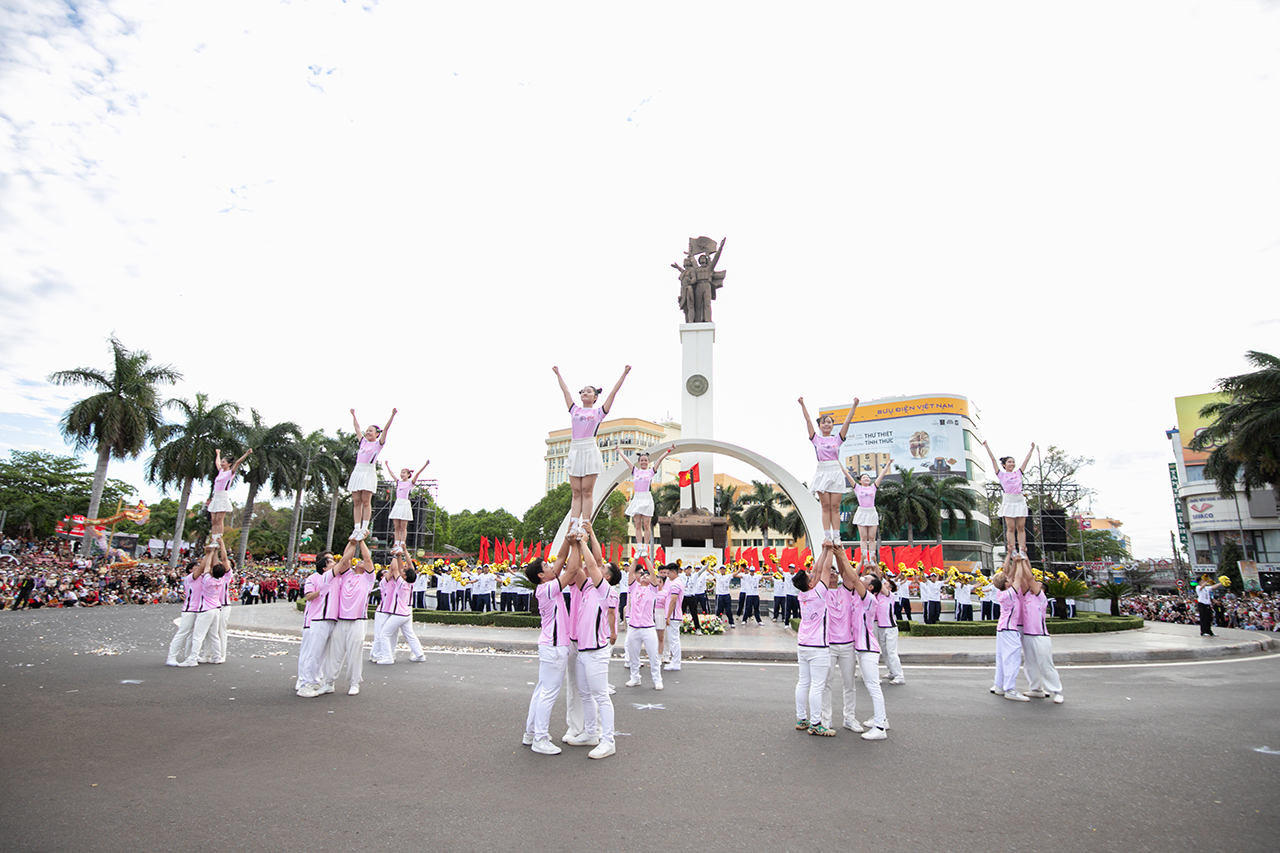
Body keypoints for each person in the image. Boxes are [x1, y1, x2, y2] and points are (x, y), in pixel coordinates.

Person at [553, 365, 631, 534]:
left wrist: (624, 374)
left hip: (589, 448)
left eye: (589, 391)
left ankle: (585, 524)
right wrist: (558, 373)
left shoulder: (598, 412)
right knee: (576, 492)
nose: (585, 393)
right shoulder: (574, 410)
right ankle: (573, 524)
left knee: (587, 491)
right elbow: (565, 391)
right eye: (582, 391)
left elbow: (613, 393)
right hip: (575, 449)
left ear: (595, 397)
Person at [566, 530, 620, 759]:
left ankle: (608, 740)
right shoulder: (587, 587)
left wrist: (585, 542)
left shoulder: (606, 591)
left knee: (600, 696)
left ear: (606, 577)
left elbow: (591, 563)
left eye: (603, 569)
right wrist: (574, 545)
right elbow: (576, 569)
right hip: (582, 651)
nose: (597, 569)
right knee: (585, 693)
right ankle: (590, 733)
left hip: (596, 652)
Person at [522, 539, 575, 755]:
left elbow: (561, 559)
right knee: (549, 693)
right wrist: (578, 544)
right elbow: (570, 570)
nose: (551, 567)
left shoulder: (546, 586)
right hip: (554, 646)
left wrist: (568, 540)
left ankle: (531, 732)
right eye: (546, 567)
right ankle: (540, 738)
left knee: (541, 690)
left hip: (550, 645)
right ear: (541, 575)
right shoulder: (547, 589)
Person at [799, 396, 858, 544]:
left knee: (835, 506)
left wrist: (854, 405)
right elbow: (808, 421)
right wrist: (802, 404)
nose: (826, 424)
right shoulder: (816, 439)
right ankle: (827, 535)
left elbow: (847, 422)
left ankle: (837, 536)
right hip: (822, 471)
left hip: (835, 471)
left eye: (829, 422)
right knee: (825, 506)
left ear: (832, 425)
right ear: (820, 426)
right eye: (824, 422)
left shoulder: (837, 439)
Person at [324, 536, 376, 696]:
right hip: (341, 620)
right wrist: (352, 541)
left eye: (362, 562)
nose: (360, 561)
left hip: (357, 621)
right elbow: (346, 559)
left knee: (354, 654)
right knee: (335, 653)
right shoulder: (346, 575)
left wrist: (361, 541)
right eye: (357, 561)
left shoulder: (368, 579)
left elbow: (367, 558)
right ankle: (328, 683)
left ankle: (355, 683)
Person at [1013, 555, 1064, 704]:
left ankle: (1057, 691)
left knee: (1045, 664)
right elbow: (1022, 578)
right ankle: (1036, 689)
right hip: (1027, 635)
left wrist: (1023, 561)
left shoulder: (1041, 598)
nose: (1035, 585)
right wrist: (1019, 562)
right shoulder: (1026, 596)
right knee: (1030, 664)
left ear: (1042, 589)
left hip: (1040, 635)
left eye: (1038, 584)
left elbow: (1029, 579)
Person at [793, 547, 832, 736]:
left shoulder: (803, 595)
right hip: (818, 647)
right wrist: (831, 550)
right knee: (817, 686)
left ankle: (801, 719)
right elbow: (824, 570)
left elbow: (817, 570)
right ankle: (816, 723)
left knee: (803, 682)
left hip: (803, 645)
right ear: (810, 584)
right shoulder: (818, 594)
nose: (813, 577)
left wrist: (823, 550)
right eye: (811, 578)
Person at [347, 408, 397, 542]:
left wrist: (392, 415)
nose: (368, 432)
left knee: (366, 501)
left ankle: (364, 527)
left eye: (371, 431)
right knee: (356, 502)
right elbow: (356, 427)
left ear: (376, 434)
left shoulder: (378, 444)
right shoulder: (362, 442)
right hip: (358, 471)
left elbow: (386, 430)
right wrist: (354, 415)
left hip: (368, 471)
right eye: (367, 430)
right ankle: (356, 528)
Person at [981, 440, 1035, 560]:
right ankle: (1013, 549)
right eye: (1009, 462)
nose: (1012, 463)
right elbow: (993, 460)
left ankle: (1022, 549)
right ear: (1004, 465)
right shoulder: (1001, 475)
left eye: (1013, 462)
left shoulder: (1018, 473)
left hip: (1019, 499)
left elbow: (1026, 460)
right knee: (1011, 527)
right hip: (1008, 500)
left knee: (1021, 526)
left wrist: (1031, 449)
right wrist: (987, 446)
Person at [372, 553, 426, 665]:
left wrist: (395, 555)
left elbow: (395, 569)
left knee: (384, 635)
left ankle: (387, 657)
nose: (402, 573)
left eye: (404, 573)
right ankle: (419, 654)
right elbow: (400, 569)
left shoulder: (401, 583)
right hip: (405, 613)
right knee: (409, 634)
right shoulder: (410, 583)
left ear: (405, 576)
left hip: (399, 614)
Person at [618, 448, 670, 562]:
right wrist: (619, 451)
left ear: (648, 462)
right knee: (637, 525)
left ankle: (645, 548)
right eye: (641, 460)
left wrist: (669, 450)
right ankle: (639, 548)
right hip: (637, 498)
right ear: (639, 461)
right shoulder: (635, 471)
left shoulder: (651, 472)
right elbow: (627, 460)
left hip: (646, 498)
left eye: (645, 460)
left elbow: (660, 459)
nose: (643, 462)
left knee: (646, 525)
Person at [296, 555, 335, 697]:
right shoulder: (314, 578)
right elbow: (308, 596)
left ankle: (316, 679)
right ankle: (303, 682)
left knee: (321, 654)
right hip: (313, 620)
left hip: (327, 619)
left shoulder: (335, 578)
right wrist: (323, 590)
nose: (334, 561)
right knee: (309, 653)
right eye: (330, 560)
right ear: (323, 566)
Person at [988, 568, 1028, 701]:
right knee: (1012, 659)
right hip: (1009, 630)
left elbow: (1012, 576)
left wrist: (1013, 558)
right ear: (1006, 584)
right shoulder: (1009, 594)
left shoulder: (1001, 592)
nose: (1011, 579)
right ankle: (1010, 689)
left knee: (1001, 659)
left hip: (1002, 629)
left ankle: (999, 685)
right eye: (1008, 580)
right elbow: (1018, 577)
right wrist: (1020, 559)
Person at [623, 558, 662, 690]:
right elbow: (631, 573)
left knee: (653, 655)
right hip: (634, 627)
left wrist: (645, 558)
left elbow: (652, 572)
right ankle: (635, 677)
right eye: (642, 575)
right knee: (633, 655)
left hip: (648, 628)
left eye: (647, 575)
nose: (645, 576)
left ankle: (657, 679)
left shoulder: (652, 590)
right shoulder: (634, 588)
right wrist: (635, 559)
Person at [165, 557, 207, 666]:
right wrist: (209, 553)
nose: (198, 567)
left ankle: (190, 655)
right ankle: (171, 657)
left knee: (194, 635)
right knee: (182, 633)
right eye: (196, 566)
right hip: (189, 609)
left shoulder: (202, 578)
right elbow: (203, 566)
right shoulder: (190, 578)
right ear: (190, 570)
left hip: (199, 609)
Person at [383, 459, 430, 556]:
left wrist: (425, 464)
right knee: (396, 526)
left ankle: (402, 543)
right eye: (401, 473)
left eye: (404, 473)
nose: (402, 474)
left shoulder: (410, 483)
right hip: (398, 503)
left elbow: (417, 473)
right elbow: (392, 474)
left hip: (405, 503)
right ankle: (396, 542)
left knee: (403, 526)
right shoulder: (398, 482)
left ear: (408, 474)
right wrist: (387, 466)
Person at [208, 448, 252, 545]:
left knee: (219, 520)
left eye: (224, 462)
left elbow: (237, 462)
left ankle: (219, 538)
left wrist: (247, 453)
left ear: (229, 464)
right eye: (222, 462)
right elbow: (217, 462)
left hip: (223, 496)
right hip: (216, 496)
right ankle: (213, 538)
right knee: (214, 520)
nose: (222, 464)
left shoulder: (230, 473)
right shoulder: (220, 472)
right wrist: (218, 453)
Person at [662, 563, 685, 671]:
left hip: (674, 615)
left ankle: (676, 662)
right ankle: (675, 660)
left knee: (674, 639)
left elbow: (673, 601)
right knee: (673, 639)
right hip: (674, 615)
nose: (667, 575)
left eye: (668, 573)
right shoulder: (675, 582)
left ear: (674, 572)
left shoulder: (675, 584)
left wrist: (668, 616)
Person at [713, 563, 736, 628]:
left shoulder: (728, 576)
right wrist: (707, 566)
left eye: (723, 569)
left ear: (725, 570)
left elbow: (735, 574)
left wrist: (740, 568)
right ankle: (717, 622)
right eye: (721, 569)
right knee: (719, 610)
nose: (722, 570)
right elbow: (710, 571)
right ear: (719, 570)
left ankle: (731, 622)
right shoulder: (717, 576)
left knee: (728, 609)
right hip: (719, 595)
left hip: (726, 595)